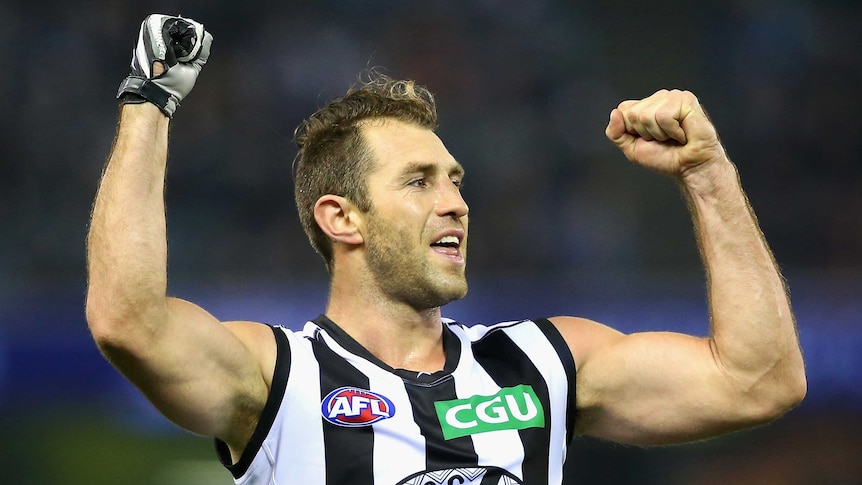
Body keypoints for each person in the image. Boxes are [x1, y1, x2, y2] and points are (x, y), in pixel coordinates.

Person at [86, 14, 806, 485]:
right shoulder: (278, 376)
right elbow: (129, 320)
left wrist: (708, 176)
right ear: (343, 218)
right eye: (419, 181)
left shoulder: (542, 363)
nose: (456, 200)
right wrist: (149, 100)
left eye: (456, 180)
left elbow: (760, 379)